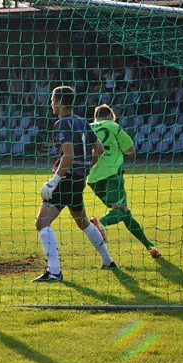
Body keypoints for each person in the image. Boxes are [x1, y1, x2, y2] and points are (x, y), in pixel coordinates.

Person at [34, 86, 114, 282]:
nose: (51, 103)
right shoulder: (82, 122)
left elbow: (68, 155)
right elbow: (100, 149)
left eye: (53, 99)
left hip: (67, 179)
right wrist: (85, 167)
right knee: (83, 222)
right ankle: (108, 260)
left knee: (42, 222)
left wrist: (53, 182)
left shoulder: (62, 123)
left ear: (60, 101)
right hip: (78, 180)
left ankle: (54, 272)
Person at [87, 104, 161, 259]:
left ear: (96, 117)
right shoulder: (114, 126)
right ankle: (99, 223)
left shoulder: (88, 128)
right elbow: (131, 151)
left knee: (124, 212)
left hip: (93, 178)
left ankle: (150, 246)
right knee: (120, 211)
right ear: (112, 116)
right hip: (112, 174)